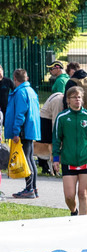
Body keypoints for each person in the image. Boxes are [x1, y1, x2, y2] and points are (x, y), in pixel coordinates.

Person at [52, 85, 87, 216]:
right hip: (68, 161)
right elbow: (56, 139)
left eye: (79, 97)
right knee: (69, 196)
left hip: (86, 159)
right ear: (68, 100)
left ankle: (83, 223)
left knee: (83, 193)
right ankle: (74, 211)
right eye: (74, 97)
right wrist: (56, 159)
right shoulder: (62, 117)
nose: (77, 100)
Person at [4, 68, 41, 200]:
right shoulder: (31, 91)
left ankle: (29, 189)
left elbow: (20, 114)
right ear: (27, 78)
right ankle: (33, 188)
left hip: (24, 130)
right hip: (31, 128)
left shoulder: (20, 92)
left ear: (14, 78)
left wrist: (16, 132)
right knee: (30, 158)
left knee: (26, 160)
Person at [36, 89, 65, 177]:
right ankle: (47, 168)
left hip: (44, 118)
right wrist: (57, 137)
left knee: (45, 143)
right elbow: (55, 122)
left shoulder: (60, 96)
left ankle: (48, 168)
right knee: (47, 143)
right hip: (46, 120)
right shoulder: (59, 102)